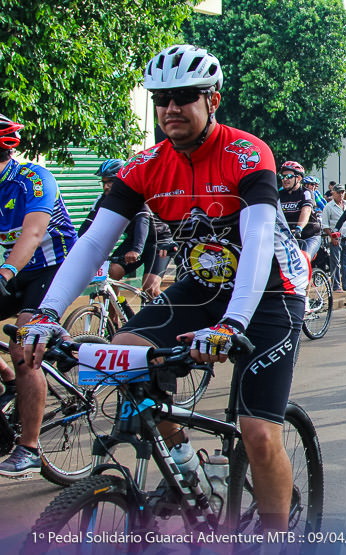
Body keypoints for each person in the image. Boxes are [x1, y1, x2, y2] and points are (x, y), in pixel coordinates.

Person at [8, 44, 307, 531]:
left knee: (256, 431)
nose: (170, 108)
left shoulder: (246, 153)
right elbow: (91, 245)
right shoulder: (145, 164)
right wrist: (46, 313)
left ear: (212, 100)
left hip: (270, 290)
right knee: (124, 353)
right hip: (202, 286)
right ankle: (185, 465)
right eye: (160, 98)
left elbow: (255, 242)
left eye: (184, 96)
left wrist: (231, 324)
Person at [0, 115, 78, 477]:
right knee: (15, 360)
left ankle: (28, 448)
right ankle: (12, 380)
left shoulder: (32, 179)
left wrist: (5, 273)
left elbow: (31, 236)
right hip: (17, 269)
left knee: (23, 342)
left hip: (54, 268)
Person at [81, 159, 173, 302]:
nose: (106, 186)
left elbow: (142, 223)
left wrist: (136, 250)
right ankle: (115, 319)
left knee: (150, 288)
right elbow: (88, 225)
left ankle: (168, 316)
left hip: (158, 242)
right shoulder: (102, 200)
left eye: (111, 181)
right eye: (104, 182)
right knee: (112, 273)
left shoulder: (137, 195)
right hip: (133, 241)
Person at [279, 160, 322, 259]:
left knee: (303, 260)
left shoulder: (306, 193)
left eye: (289, 177)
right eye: (282, 177)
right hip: (288, 238)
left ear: (298, 178)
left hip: (309, 236)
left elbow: (306, 211)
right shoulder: (279, 195)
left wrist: (299, 228)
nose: (285, 179)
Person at [322, 185, 346, 291]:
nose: (340, 194)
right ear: (333, 193)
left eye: (342, 192)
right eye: (338, 192)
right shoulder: (328, 207)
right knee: (335, 262)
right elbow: (325, 225)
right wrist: (332, 237)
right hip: (336, 237)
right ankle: (336, 285)